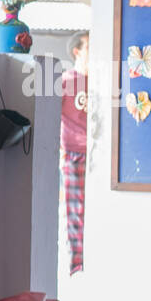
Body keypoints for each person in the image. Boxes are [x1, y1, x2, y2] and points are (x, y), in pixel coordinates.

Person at [60, 32, 89, 276]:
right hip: (73, 154)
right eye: (91, 46)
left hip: (99, 155)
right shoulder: (66, 81)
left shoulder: (103, 80)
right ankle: (77, 264)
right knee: (76, 210)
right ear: (77, 52)